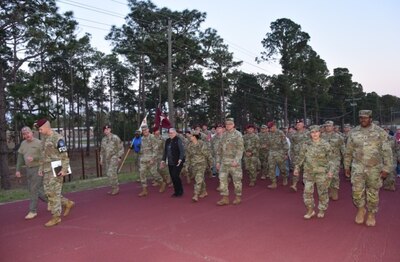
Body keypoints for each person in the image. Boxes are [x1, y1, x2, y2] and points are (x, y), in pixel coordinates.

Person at [344, 110, 393, 227]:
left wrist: (387, 168)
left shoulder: (380, 132)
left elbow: (387, 151)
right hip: (357, 167)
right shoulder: (353, 132)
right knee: (356, 192)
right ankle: (361, 209)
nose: (363, 120)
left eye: (365, 118)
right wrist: (346, 166)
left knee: (373, 192)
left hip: (374, 168)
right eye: (361, 118)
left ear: (370, 118)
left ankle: (371, 213)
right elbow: (348, 151)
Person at [35, 118, 74, 227]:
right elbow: (42, 155)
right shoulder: (44, 139)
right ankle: (67, 203)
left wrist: (64, 169)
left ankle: (56, 217)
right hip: (47, 169)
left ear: (47, 127)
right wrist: (40, 168)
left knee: (54, 194)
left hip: (57, 168)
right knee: (49, 193)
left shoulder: (58, 138)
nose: (39, 131)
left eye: (40, 128)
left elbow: (64, 156)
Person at [294, 125, 335, 219]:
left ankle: (321, 209)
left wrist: (331, 171)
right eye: (312, 132)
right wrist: (297, 168)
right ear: (310, 134)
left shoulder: (325, 144)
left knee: (322, 192)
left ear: (320, 133)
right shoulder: (306, 144)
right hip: (309, 172)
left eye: (316, 132)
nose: (315, 134)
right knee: (307, 192)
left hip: (322, 172)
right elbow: (300, 157)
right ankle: (310, 209)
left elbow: (331, 159)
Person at [15, 126, 47, 220]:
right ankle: (53, 201)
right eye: (24, 134)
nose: (26, 135)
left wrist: (34, 158)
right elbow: (20, 158)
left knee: (33, 189)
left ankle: (32, 211)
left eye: (28, 133)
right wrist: (17, 170)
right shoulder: (23, 144)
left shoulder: (39, 143)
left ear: (32, 133)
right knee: (34, 189)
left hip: (38, 168)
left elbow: (44, 156)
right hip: (28, 169)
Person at [215, 117, 244, 205]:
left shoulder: (238, 134)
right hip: (224, 162)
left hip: (234, 162)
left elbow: (240, 149)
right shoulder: (223, 135)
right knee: (222, 179)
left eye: (230, 124)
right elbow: (219, 150)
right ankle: (225, 198)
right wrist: (217, 162)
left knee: (237, 180)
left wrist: (236, 160)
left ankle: (238, 197)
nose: (228, 126)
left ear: (233, 125)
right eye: (227, 124)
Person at [137, 125, 166, 197]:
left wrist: (153, 159)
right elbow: (142, 149)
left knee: (154, 174)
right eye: (143, 130)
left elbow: (155, 149)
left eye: (146, 130)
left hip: (151, 160)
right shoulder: (142, 138)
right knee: (142, 174)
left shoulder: (152, 137)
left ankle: (162, 183)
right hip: (143, 160)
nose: (145, 131)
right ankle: (144, 190)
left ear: (148, 130)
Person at [321, 120, 345, 200]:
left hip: (335, 159)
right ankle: (329, 190)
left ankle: (335, 191)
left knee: (334, 176)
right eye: (326, 126)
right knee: (326, 176)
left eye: (329, 126)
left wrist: (346, 160)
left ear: (333, 127)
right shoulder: (321, 136)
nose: (328, 127)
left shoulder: (339, 137)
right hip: (324, 159)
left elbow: (343, 148)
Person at [186, 132, 213, 202]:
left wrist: (211, 163)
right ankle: (204, 191)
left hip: (201, 164)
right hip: (194, 165)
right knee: (199, 179)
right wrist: (186, 165)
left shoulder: (202, 144)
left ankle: (195, 195)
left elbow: (208, 154)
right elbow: (188, 156)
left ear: (195, 137)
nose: (189, 137)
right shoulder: (189, 145)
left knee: (198, 179)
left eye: (191, 136)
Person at [100, 124, 124, 196]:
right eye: (105, 130)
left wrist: (119, 157)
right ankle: (113, 187)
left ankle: (116, 188)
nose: (106, 131)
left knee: (111, 173)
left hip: (114, 157)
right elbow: (102, 151)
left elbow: (121, 148)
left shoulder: (115, 138)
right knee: (108, 174)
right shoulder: (103, 140)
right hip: (107, 159)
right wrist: (101, 159)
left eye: (108, 129)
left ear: (110, 130)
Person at [161, 128, 185, 197]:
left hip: (177, 162)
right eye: (169, 133)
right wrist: (163, 160)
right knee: (173, 176)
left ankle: (180, 190)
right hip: (170, 162)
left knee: (175, 175)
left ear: (175, 133)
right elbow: (165, 151)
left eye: (171, 133)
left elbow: (182, 151)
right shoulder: (167, 141)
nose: (170, 134)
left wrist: (180, 159)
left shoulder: (178, 140)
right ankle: (176, 191)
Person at [266, 121, 289, 189]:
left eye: (271, 127)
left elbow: (285, 144)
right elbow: (268, 144)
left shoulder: (280, 133)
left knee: (282, 168)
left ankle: (285, 178)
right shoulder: (269, 134)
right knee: (271, 168)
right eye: (269, 128)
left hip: (280, 153)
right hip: (271, 153)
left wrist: (285, 153)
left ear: (275, 126)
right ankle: (273, 183)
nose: (270, 129)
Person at [289, 119, 309, 192]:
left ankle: (307, 186)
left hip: (306, 155)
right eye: (297, 125)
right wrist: (291, 155)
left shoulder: (308, 133)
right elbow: (292, 145)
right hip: (297, 156)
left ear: (303, 125)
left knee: (306, 171)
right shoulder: (293, 134)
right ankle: (294, 185)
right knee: (296, 170)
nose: (298, 126)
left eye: (299, 124)